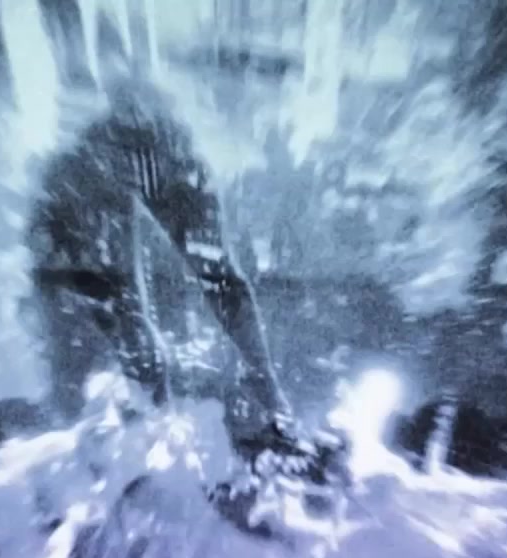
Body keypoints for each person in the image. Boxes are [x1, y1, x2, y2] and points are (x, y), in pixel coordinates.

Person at [24, 78, 320, 471]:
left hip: (139, 208)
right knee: (126, 318)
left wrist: (266, 386)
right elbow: (109, 293)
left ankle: (213, 411)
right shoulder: (85, 175)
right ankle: (141, 422)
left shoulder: (167, 164)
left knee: (182, 299)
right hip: (88, 261)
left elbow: (221, 281)